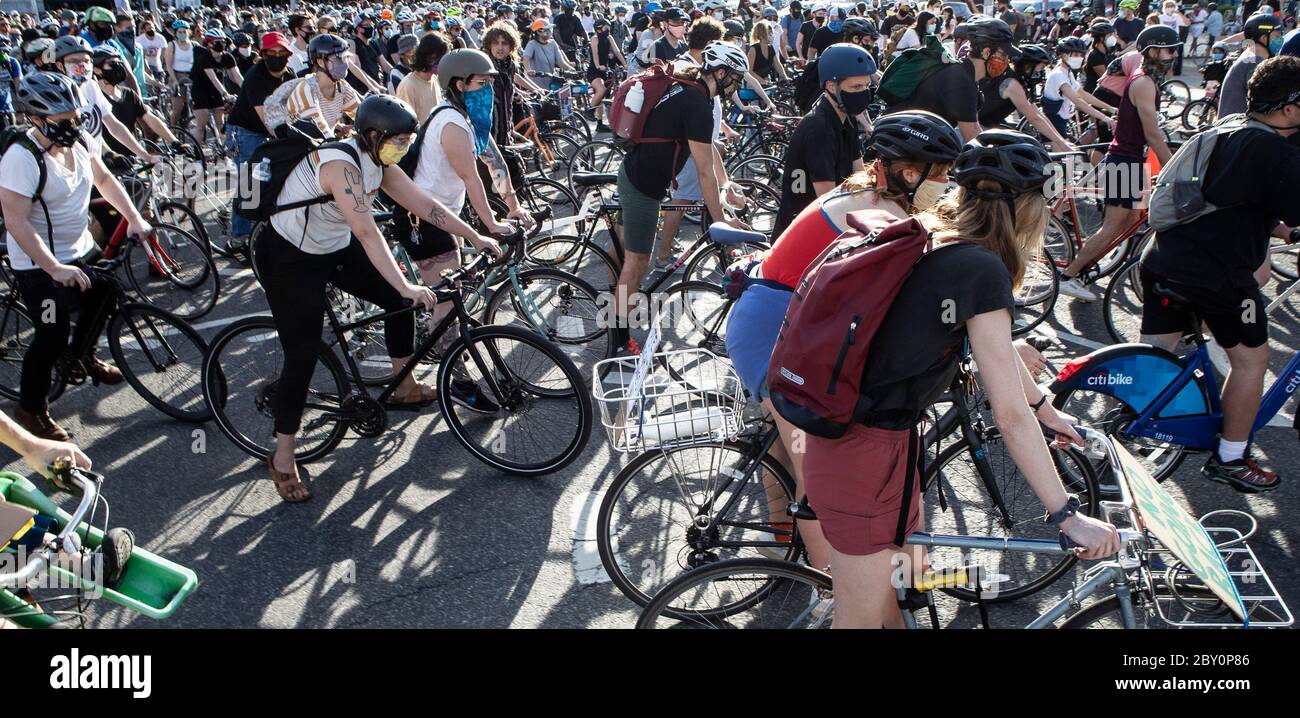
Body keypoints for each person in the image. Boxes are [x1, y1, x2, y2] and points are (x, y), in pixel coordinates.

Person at [798, 130, 1120, 628]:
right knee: (859, 622)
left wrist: (1045, 409)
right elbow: (1007, 415)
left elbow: (997, 358)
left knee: (893, 605)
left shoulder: (934, 235)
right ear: (1028, 209)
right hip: (864, 454)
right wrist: (1065, 514)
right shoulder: (980, 269)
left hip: (872, 445)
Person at [726, 111, 963, 574]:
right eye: (937, 173)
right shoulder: (883, 213)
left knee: (785, 446)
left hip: (769, 315)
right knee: (811, 467)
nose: (945, 182)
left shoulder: (867, 190)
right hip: (776, 326)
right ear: (903, 172)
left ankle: (781, 547)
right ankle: (824, 583)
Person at [256, 95, 499, 503]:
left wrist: (473, 235)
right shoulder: (340, 164)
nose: (403, 148)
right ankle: (282, 456)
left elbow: (425, 204)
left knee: (396, 300)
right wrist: (407, 285)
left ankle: (402, 384)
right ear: (372, 135)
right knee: (303, 351)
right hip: (288, 255)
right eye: (398, 141)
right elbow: (368, 233)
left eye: (408, 141)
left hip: (332, 243)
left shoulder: (378, 161)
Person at [1139, 56, 1300, 492]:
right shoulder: (1272, 149)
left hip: (1162, 258)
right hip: (1215, 274)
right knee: (1252, 361)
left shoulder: (1230, 127)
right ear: (1289, 109)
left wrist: (1278, 226)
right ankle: (1231, 456)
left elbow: (1232, 198)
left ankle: (1125, 430)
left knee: (1156, 358)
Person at [0, 72, 153, 441]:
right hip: (38, 262)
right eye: (62, 120)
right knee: (51, 333)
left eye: (76, 117)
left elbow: (104, 180)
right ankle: (31, 409)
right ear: (35, 118)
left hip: (80, 247)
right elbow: (16, 222)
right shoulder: (21, 158)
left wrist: (134, 218)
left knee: (107, 294)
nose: (73, 125)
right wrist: (54, 267)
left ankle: (82, 356)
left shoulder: (82, 141)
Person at [612, 41, 750, 355]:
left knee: (622, 256)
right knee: (637, 261)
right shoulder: (697, 102)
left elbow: (710, 151)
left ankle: (615, 298)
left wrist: (725, 193)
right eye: (736, 79)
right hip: (642, 184)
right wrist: (721, 221)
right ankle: (618, 340)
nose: (737, 86)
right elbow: (703, 172)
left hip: (638, 173)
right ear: (720, 71)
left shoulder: (690, 91)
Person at [1059, 25, 1179, 300]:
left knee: (1132, 223)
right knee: (1112, 226)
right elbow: (1153, 135)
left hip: (1132, 160)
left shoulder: (1146, 79)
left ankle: (1092, 267)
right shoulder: (1144, 83)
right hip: (1124, 162)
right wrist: (1174, 168)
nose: (1173, 55)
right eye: (1170, 50)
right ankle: (1070, 275)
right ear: (1154, 51)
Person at [773, 43, 872, 238]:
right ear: (831, 86)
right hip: (802, 235)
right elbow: (828, 200)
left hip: (824, 223)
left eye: (867, 86)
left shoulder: (846, 116)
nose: (863, 93)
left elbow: (859, 174)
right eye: (856, 87)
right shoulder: (819, 128)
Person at [889, 16, 1018, 142]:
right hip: (904, 149)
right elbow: (972, 137)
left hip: (911, 140)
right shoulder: (961, 81)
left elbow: (975, 127)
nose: (1007, 61)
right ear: (986, 52)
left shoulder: (965, 74)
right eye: (1004, 55)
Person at [226, 31, 294, 258]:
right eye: (272, 53)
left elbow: (298, 104)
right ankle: (238, 237)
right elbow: (267, 118)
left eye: (281, 52)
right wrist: (286, 137)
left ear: (288, 54)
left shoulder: (290, 74)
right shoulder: (255, 77)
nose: (277, 56)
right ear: (263, 55)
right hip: (245, 132)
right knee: (251, 182)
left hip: (272, 129)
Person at [976, 40, 1079, 152]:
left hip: (986, 128)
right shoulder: (1012, 83)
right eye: (1040, 68)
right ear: (1027, 66)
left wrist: (1061, 140)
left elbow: (1038, 114)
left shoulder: (1020, 81)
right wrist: (1062, 143)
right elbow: (1034, 118)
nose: (1040, 73)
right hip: (978, 129)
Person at [93, 45, 178, 160]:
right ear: (97, 70)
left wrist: (174, 142)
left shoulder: (129, 94)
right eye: (112, 64)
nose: (118, 67)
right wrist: (109, 155)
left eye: (119, 63)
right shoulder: (94, 98)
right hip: (108, 163)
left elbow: (150, 119)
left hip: (132, 160)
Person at [272, 34, 361, 141]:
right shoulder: (306, 89)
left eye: (346, 57)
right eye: (339, 59)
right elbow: (321, 130)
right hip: (298, 149)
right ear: (320, 62)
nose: (346, 64)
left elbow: (361, 114)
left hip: (320, 144)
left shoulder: (341, 86)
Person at [1043, 37, 1116, 142]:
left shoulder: (1068, 73)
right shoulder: (1058, 75)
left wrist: (1110, 108)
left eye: (1082, 55)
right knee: (1061, 155)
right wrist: (1104, 117)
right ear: (1064, 55)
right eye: (1076, 55)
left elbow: (1083, 94)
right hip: (1054, 121)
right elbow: (1078, 101)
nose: (1080, 58)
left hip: (1062, 119)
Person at [1218, 13, 1285, 117]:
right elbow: (1263, 100)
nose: (1281, 38)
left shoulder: (1250, 56)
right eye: (1277, 35)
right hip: (1238, 128)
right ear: (1263, 38)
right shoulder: (1254, 61)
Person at [189, 29, 240, 152]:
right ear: (210, 43)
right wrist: (226, 94)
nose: (221, 44)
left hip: (215, 90)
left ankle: (224, 150)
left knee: (220, 122)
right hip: (200, 89)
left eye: (223, 41)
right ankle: (197, 153)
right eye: (218, 41)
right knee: (202, 122)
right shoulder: (204, 57)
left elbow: (237, 76)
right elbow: (213, 78)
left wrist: (247, 89)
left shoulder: (228, 57)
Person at [397, 33, 448, 123]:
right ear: (429, 57)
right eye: (442, 58)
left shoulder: (435, 79)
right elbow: (406, 124)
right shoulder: (408, 86)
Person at [588, 18, 624, 132]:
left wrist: (626, 64)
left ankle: (600, 124)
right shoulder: (594, 38)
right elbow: (595, 53)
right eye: (605, 27)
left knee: (603, 97)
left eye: (609, 26)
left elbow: (617, 51)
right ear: (599, 29)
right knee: (601, 90)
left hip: (605, 71)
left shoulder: (609, 37)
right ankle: (589, 110)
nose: (608, 29)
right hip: (594, 71)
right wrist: (598, 65)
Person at [162, 19, 196, 125]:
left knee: (196, 105)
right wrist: (174, 80)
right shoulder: (172, 45)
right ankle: (173, 128)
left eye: (184, 32)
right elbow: (169, 65)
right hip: (177, 75)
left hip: (190, 75)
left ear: (188, 32)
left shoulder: (194, 45)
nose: (182, 34)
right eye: (179, 32)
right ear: (175, 33)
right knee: (177, 108)